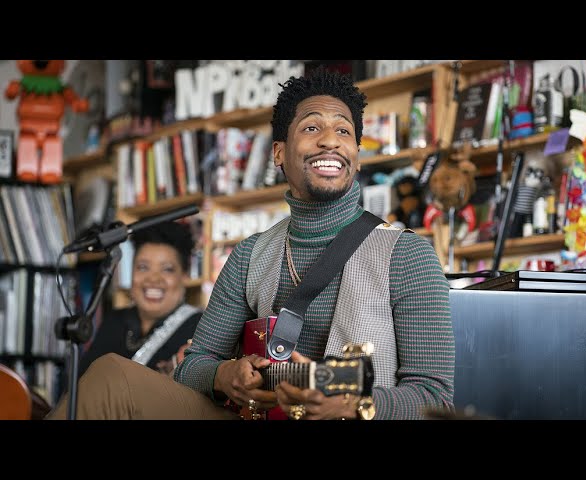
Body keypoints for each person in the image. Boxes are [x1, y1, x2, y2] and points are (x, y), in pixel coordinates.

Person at [47, 68, 454, 420]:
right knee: (111, 376)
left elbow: (435, 397)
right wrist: (226, 376)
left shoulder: (407, 255)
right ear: (279, 153)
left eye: (344, 130)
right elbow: (194, 365)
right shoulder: (250, 255)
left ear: (357, 156)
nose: (331, 140)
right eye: (312, 127)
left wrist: (352, 405)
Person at [77, 220, 201, 377]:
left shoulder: (200, 329)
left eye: (167, 269)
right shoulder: (113, 322)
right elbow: (82, 384)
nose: (153, 279)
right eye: (143, 267)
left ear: (185, 276)